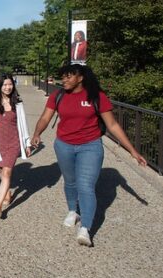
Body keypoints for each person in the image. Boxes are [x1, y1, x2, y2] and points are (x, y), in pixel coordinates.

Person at [31, 64, 146, 247]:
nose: (64, 80)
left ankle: (85, 227)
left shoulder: (97, 97)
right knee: (70, 182)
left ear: (80, 78)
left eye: (69, 77)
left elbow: (113, 125)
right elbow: (45, 117)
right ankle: (72, 210)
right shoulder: (58, 95)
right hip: (64, 145)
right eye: (63, 77)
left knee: (85, 186)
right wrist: (37, 133)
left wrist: (133, 151)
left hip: (90, 146)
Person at [0, 74, 32, 218]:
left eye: (10, 84)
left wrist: (27, 143)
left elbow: (23, 123)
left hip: (13, 142)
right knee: (1, 170)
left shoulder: (18, 103)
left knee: (7, 172)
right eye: (4, 85)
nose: (7, 87)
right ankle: (7, 192)